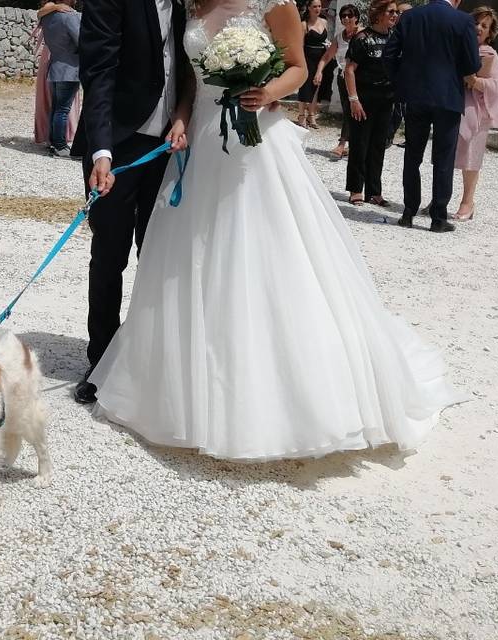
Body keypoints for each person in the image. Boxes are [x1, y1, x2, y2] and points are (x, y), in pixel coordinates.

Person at [87, 0, 464, 461]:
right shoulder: (194, 6)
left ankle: (267, 391)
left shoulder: (274, 3)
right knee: (186, 258)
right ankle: (173, 378)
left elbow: (299, 69)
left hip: (255, 145)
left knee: (258, 254)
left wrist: (266, 93)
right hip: (202, 141)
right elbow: (187, 79)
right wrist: (183, 118)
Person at [71, 0, 196, 404]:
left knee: (158, 254)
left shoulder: (187, 4)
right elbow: (99, 72)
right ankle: (102, 358)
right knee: (110, 253)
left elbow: (187, 68)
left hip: (167, 146)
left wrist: (181, 116)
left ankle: (149, 357)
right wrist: (101, 153)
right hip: (119, 146)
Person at [384, 0, 480, 233]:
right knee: (443, 158)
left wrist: (401, 81)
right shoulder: (463, 20)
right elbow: (472, 64)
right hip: (448, 96)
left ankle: (408, 212)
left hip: (415, 94)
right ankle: (438, 217)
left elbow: (389, 53)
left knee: (412, 154)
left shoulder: (410, 17)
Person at [452, 7, 498, 221]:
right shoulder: (457, 47)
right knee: (447, 154)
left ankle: (467, 202)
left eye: (484, 26)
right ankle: (440, 197)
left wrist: (475, 81)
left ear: (490, 32)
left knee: (471, 156)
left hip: (477, 110)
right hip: (454, 105)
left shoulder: (489, 54)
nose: (478, 28)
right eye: (475, 23)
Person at [344, 0, 397, 207]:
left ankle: (374, 191)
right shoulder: (362, 38)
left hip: (386, 99)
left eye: (395, 12)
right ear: (379, 14)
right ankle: (356, 189)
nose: (394, 15)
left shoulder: (394, 38)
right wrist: (353, 99)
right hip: (364, 99)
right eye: (391, 11)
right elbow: (349, 70)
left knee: (378, 146)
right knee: (360, 144)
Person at [314, 3, 360, 159]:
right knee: (348, 110)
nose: (346, 18)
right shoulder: (340, 37)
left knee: (359, 110)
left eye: (349, 15)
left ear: (356, 17)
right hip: (343, 77)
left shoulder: (363, 34)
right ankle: (344, 144)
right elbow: (327, 56)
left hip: (361, 79)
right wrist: (319, 71)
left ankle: (350, 144)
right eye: (343, 16)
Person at [33, 2, 81, 148]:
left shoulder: (47, 17)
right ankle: (59, 145)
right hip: (70, 68)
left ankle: (52, 142)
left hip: (54, 66)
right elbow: (80, 41)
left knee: (56, 108)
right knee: (63, 109)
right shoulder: (70, 16)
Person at [384, 1, 413, 148]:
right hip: (392, 75)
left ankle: (407, 138)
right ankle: (388, 136)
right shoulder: (390, 30)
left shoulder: (412, 32)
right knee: (396, 109)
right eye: (397, 12)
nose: (398, 15)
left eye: (402, 13)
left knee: (403, 109)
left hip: (406, 77)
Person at [296, 0, 328, 128]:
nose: (317, 9)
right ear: (309, 8)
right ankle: (301, 115)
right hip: (307, 57)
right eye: (314, 6)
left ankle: (311, 115)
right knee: (305, 86)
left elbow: (326, 40)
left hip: (321, 57)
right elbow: (300, 45)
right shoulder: (304, 24)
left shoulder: (324, 22)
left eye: (319, 6)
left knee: (317, 85)